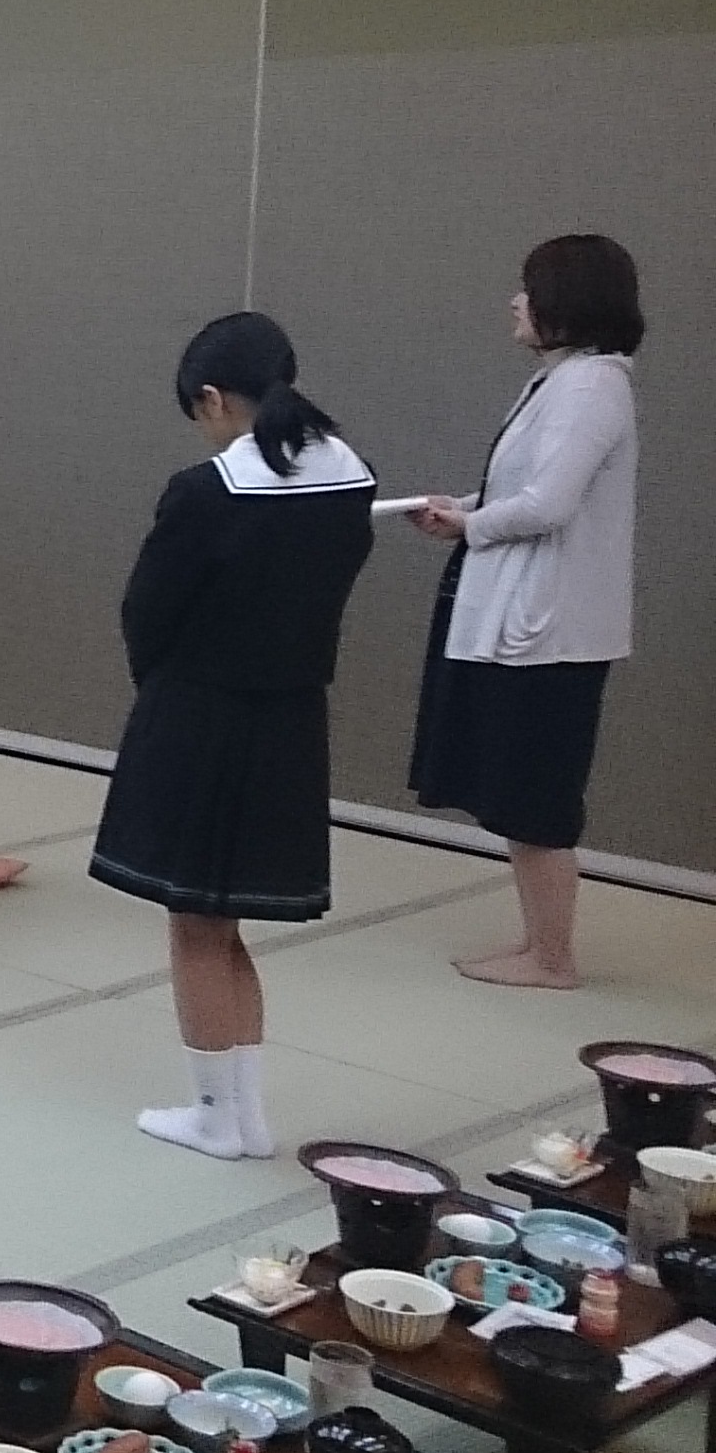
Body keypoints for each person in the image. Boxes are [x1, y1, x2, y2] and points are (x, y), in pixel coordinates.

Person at [92, 312, 373, 1161]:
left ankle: (216, 1114)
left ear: (213, 397)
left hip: (201, 717)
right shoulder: (349, 477)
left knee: (195, 925)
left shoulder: (207, 491)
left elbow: (146, 611)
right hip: (292, 721)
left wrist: (160, 687)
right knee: (228, 924)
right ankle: (244, 1115)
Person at [407, 235, 644, 991]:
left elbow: (549, 504)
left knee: (536, 794)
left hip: (551, 629)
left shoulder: (591, 386)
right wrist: (463, 507)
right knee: (516, 789)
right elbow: (524, 488)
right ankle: (541, 943)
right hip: (531, 617)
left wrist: (471, 524)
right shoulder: (562, 380)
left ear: (565, 302)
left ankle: (553, 958)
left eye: (529, 290)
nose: (515, 302)